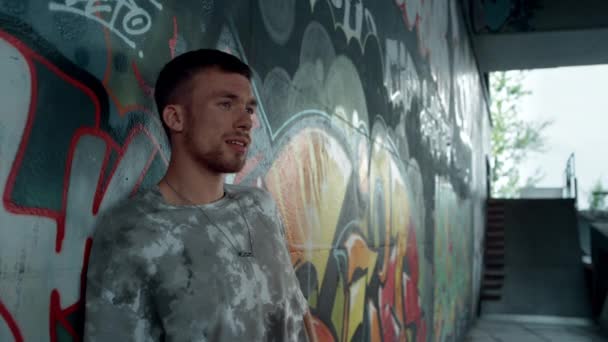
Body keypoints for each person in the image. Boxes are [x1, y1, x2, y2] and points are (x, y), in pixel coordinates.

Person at [84, 49, 314, 341]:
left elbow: (298, 309)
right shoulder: (133, 232)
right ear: (176, 118)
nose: (246, 122)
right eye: (226, 104)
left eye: (249, 108)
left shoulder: (260, 206)